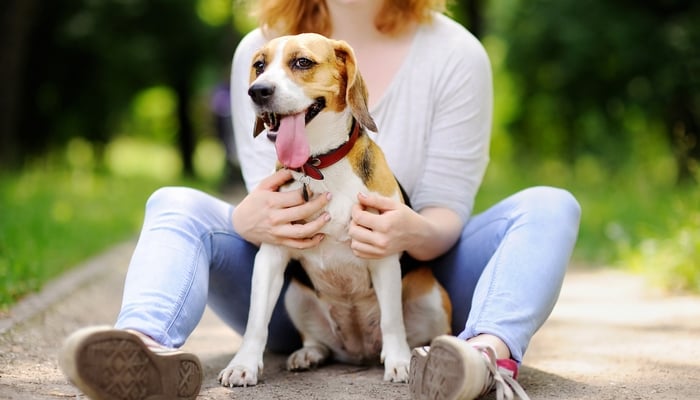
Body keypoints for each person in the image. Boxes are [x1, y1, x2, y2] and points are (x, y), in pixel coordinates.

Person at [59, 1, 581, 400]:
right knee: (173, 201)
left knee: (551, 205)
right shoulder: (258, 50)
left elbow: (448, 207)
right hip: (300, 297)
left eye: (303, 67)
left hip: (421, 281)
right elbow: (268, 182)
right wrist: (247, 218)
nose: (267, 81)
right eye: (264, 73)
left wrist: (410, 230)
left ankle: (483, 358)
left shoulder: (455, 52)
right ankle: (141, 350)